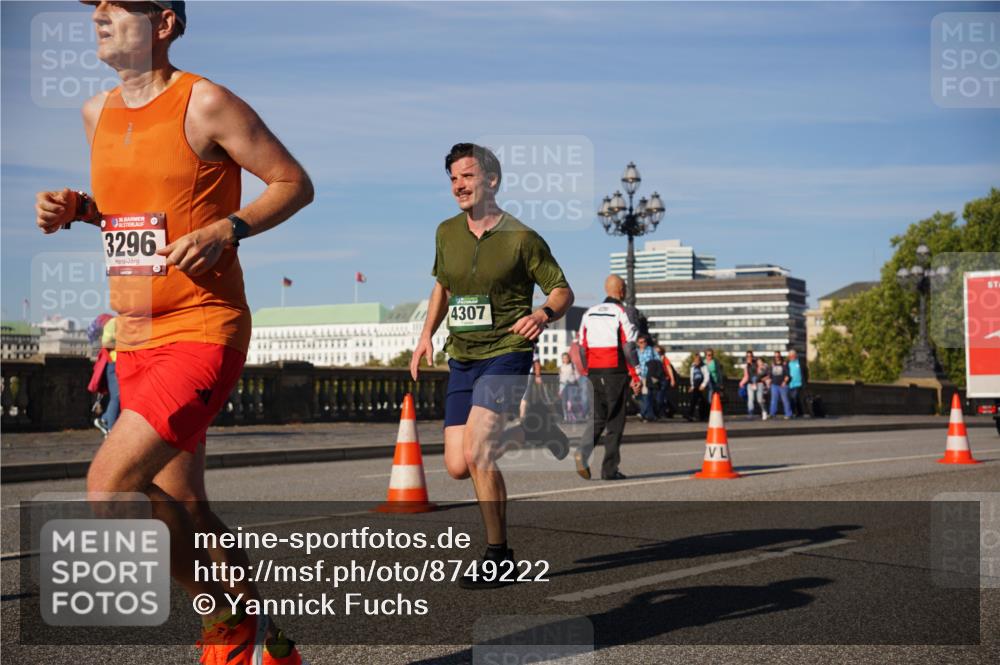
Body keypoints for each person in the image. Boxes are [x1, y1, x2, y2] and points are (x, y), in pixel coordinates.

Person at [35, 3, 313, 662]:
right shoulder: (96, 113)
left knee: (109, 488)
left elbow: (293, 183)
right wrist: (81, 210)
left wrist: (227, 228)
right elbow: (136, 215)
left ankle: (224, 621)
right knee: (189, 504)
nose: (101, 14)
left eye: (119, 5)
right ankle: (271, 643)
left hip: (202, 326)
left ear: (163, 23)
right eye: (96, 6)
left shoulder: (205, 102)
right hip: (134, 334)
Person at [409, 143, 574, 589]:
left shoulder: (522, 238)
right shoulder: (446, 232)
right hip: (463, 356)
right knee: (457, 465)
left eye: (467, 176)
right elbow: (443, 287)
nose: (459, 186)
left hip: (507, 350)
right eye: (453, 179)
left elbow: (562, 290)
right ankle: (534, 431)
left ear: (492, 180)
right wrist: (426, 335)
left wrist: (542, 314)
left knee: (479, 451)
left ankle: (498, 556)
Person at [575, 275, 640, 481]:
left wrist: (587, 371)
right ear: (622, 291)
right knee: (615, 421)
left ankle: (582, 452)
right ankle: (609, 470)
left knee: (598, 416)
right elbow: (628, 347)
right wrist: (636, 373)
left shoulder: (589, 313)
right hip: (615, 371)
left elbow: (581, 347)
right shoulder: (621, 312)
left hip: (594, 371)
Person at [94, 316, 121, 435]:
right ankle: (111, 429)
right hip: (115, 363)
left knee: (122, 397)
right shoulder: (114, 322)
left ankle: (104, 419)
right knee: (117, 396)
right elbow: (107, 343)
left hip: (124, 364)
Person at [635, 336, 661, 421]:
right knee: (640, 396)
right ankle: (648, 414)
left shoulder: (651, 350)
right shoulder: (636, 352)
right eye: (641, 342)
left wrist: (656, 373)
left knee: (647, 395)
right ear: (637, 343)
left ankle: (644, 413)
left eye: (644, 341)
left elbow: (658, 361)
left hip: (649, 376)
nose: (643, 343)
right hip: (639, 376)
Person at [769, 351, 794, 419]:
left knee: (785, 400)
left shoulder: (784, 364)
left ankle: (788, 414)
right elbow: (770, 375)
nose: (777, 357)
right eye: (775, 356)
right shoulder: (772, 365)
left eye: (778, 356)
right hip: (774, 384)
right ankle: (772, 413)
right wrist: (769, 381)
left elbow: (788, 375)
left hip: (782, 385)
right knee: (773, 400)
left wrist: (784, 382)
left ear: (780, 356)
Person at [655, 345, 677, 419]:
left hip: (664, 379)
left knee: (660, 396)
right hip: (656, 379)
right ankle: (666, 411)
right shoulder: (653, 357)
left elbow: (669, 368)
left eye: (659, 352)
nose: (658, 353)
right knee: (660, 396)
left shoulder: (664, 358)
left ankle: (660, 413)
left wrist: (672, 379)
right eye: (656, 352)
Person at [558, 352, 581, 422]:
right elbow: (560, 378)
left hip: (571, 385)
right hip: (563, 386)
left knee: (571, 402)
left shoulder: (572, 366)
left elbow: (577, 375)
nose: (565, 359)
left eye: (566, 358)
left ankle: (573, 416)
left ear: (569, 358)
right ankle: (565, 417)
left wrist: (574, 381)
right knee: (564, 402)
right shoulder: (561, 367)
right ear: (562, 359)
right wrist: (560, 390)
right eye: (563, 358)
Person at [687, 352, 710, 421]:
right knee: (694, 400)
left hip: (702, 386)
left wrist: (703, 385)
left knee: (701, 401)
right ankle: (691, 415)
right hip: (695, 386)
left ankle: (702, 416)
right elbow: (692, 377)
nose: (697, 361)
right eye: (696, 360)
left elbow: (707, 376)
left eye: (698, 360)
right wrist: (692, 386)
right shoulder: (692, 366)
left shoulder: (704, 366)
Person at [738, 350, 757, 420]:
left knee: (759, 399)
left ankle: (764, 411)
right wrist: (741, 383)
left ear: (753, 356)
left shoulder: (756, 364)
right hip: (749, 384)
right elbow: (746, 376)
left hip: (757, 383)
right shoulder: (746, 366)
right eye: (747, 356)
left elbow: (758, 373)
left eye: (750, 356)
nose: (749, 358)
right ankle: (750, 412)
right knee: (750, 399)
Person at [788, 349, 806, 417]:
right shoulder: (788, 363)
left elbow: (805, 372)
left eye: (793, 355)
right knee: (793, 399)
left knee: (795, 397)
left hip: (798, 384)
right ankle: (796, 412)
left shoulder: (800, 363)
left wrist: (804, 382)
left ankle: (797, 412)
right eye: (790, 356)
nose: (791, 357)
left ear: (795, 355)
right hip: (790, 384)